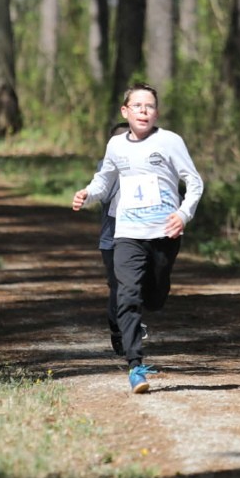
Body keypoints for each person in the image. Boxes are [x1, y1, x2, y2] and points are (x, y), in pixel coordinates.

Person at [73, 83, 204, 393]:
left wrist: (183, 215)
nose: (143, 111)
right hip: (127, 234)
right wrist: (87, 194)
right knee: (127, 295)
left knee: (155, 298)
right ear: (125, 111)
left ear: (156, 112)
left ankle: (155, 294)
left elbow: (194, 183)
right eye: (137, 106)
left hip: (164, 233)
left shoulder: (170, 142)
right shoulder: (116, 146)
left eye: (149, 106)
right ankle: (135, 366)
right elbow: (103, 182)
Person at [98, 121, 133, 357]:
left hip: (140, 235)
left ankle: (131, 323)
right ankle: (118, 328)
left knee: (137, 285)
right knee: (118, 286)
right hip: (112, 239)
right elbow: (103, 195)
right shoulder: (105, 167)